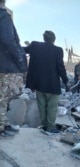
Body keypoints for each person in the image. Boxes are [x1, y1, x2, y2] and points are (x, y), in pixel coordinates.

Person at [24, 30, 68, 134]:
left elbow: (23, 50)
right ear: (54, 39)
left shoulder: (35, 46)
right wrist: (66, 80)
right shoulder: (57, 50)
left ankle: (44, 125)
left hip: (39, 84)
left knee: (42, 106)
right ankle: (51, 127)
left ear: (44, 38)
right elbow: (60, 67)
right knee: (52, 107)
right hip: (52, 85)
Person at [0, 0, 28, 138]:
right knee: (3, 97)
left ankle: (3, 123)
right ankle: (1, 127)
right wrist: (19, 57)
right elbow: (7, 39)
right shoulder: (3, 16)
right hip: (5, 66)